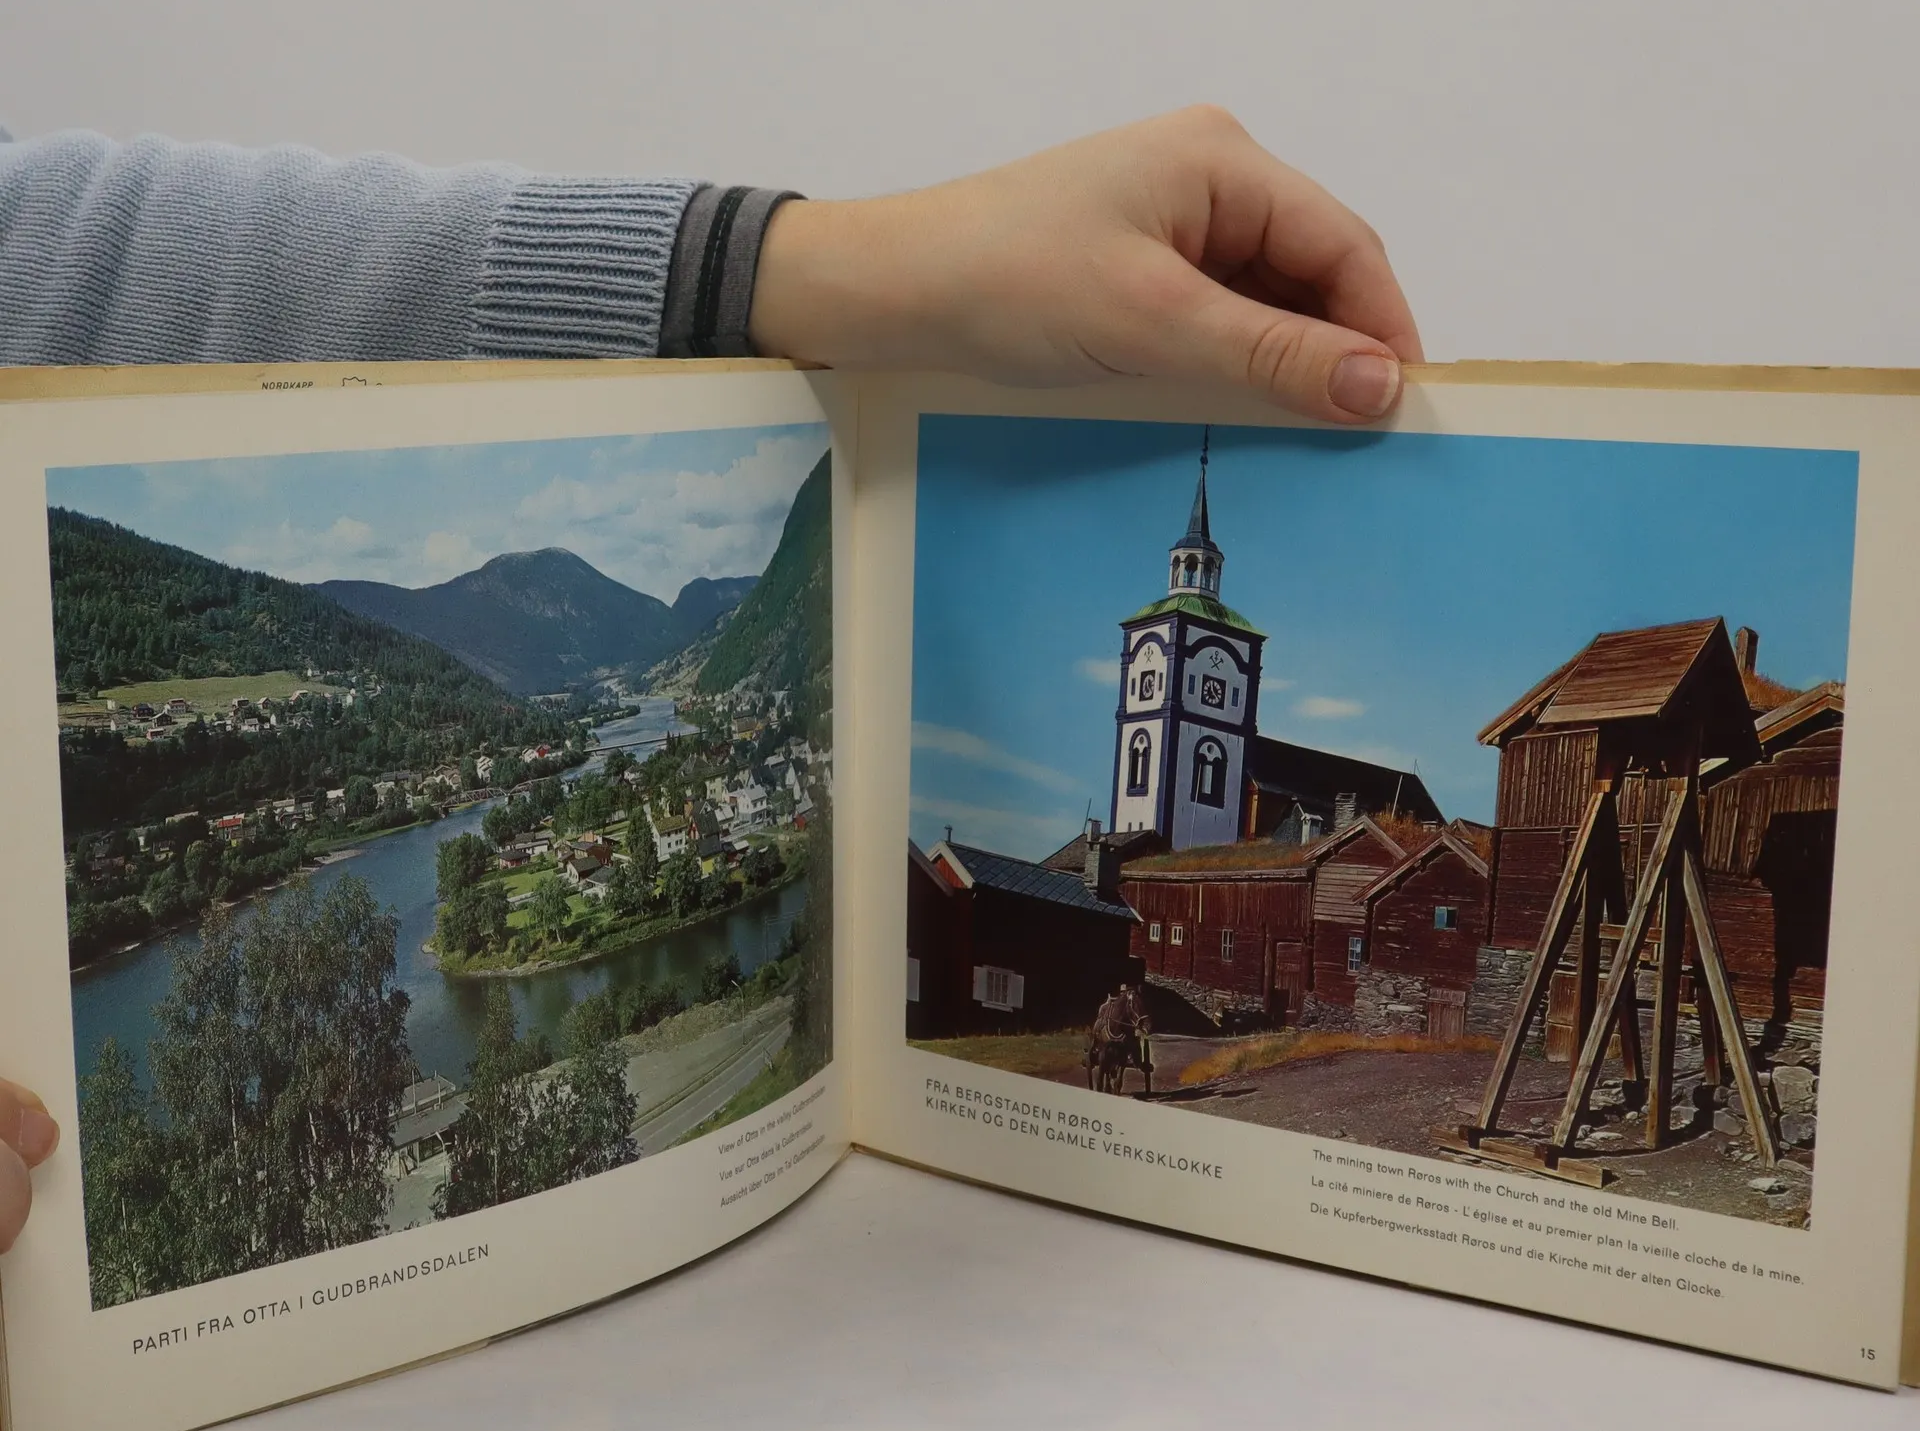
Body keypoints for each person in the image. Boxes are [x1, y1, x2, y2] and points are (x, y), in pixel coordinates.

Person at [0, 102, 1422, 1249]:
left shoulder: (1308, 797)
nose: (1186, 674)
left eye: (1205, 663)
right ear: (1160, 634)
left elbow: (49, 232)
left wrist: (805, 268)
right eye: (1173, 657)